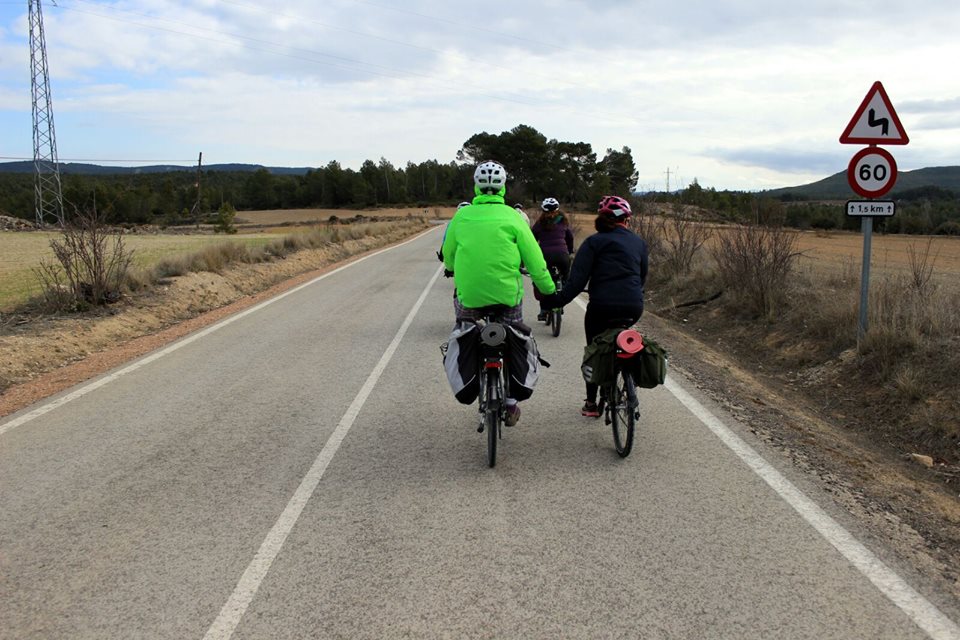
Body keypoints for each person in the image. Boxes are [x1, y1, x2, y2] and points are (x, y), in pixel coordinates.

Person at [442, 161, 557, 426]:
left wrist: (452, 267)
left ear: (476, 186)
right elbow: (535, 260)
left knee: (465, 330)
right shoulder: (513, 218)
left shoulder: (461, 217)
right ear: (503, 188)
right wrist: (548, 290)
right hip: (507, 297)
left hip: (469, 296)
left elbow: (448, 257)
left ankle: (473, 379)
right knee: (515, 333)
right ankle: (511, 403)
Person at [549, 195, 648, 417]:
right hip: (633, 305)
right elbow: (642, 278)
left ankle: (592, 404)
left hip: (602, 306)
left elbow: (576, 282)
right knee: (624, 336)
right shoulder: (639, 243)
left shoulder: (594, 242)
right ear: (627, 220)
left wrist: (557, 301)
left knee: (594, 350)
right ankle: (628, 381)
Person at [531, 197, 575, 321]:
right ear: (557, 210)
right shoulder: (563, 222)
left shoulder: (539, 224)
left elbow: (531, 240)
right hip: (563, 255)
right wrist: (570, 251)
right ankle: (561, 302)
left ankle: (544, 310)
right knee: (566, 278)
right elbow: (570, 238)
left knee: (543, 282)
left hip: (545, 256)